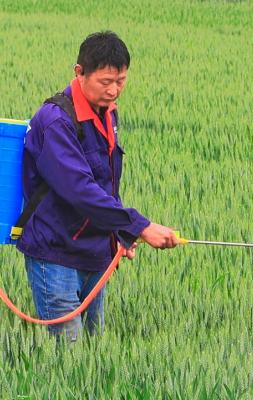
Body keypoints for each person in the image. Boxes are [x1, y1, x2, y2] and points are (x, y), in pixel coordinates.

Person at [17, 31, 178, 341]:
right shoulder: (56, 121)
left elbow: (106, 184)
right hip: (56, 254)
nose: (114, 90)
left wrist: (119, 233)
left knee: (95, 351)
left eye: (121, 81)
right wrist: (140, 226)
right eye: (106, 82)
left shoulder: (108, 113)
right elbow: (79, 189)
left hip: (95, 253)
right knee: (72, 357)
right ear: (80, 73)